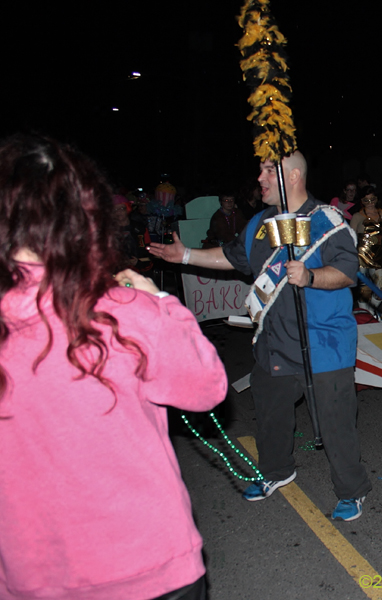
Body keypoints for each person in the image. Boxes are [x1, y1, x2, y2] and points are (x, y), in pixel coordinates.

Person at [0, 133, 228, 600]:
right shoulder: (127, 311)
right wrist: (160, 302)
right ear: (87, 217)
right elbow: (206, 387)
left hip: (34, 579)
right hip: (152, 565)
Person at [149, 151, 372, 521]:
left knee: (336, 423)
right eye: (262, 170)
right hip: (276, 342)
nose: (261, 178)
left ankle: (352, 489)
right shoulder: (260, 223)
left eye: (270, 171)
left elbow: (348, 272)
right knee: (270, 414)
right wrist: (186, 255)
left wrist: (312, 276)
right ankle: (277, 470)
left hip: (325, 344)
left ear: (294, 176)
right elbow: (233, 257)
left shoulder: (328, 222)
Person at [350, 186, 382, 310]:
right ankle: (365, 314)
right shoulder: (357, 216)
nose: (370, 203)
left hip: (378, 255)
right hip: (362, 256)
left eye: (372, 199)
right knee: (364, 288)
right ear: (361, 201)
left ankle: (371, 311)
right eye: (366, 200)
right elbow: (350, 238)